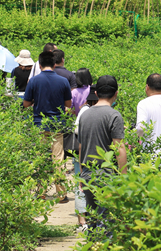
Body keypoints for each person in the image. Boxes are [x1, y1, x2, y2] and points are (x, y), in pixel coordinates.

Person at [23, 50, 73, 202]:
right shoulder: (63, 81)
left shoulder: (34, 81)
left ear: (39, 64)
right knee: (58, 159)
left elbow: (26, 103)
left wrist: (35, 101)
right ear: (54, 64)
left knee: (41, 159)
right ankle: (62, 194)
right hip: (57, 125)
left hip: (39, 124)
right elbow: (68, 105)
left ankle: (40, 192)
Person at [77, 75, 126, 221]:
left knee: (93, 219)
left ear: (96, 93)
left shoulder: (84, 115)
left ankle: (92, 243)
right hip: (107, 176)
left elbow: (81, 147)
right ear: (116, 93)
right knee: (108, 221)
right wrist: (124, 178)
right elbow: (120, 148)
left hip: (88, 174)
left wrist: (81, 174)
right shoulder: (114, 115)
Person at [70, 88, 97, 229]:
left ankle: (85, 220)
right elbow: (77, 131)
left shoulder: (85, 110)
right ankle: (82, 221)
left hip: (85, 153)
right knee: (81, 186)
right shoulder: (86, 111)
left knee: (83, 186)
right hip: (84, 153)